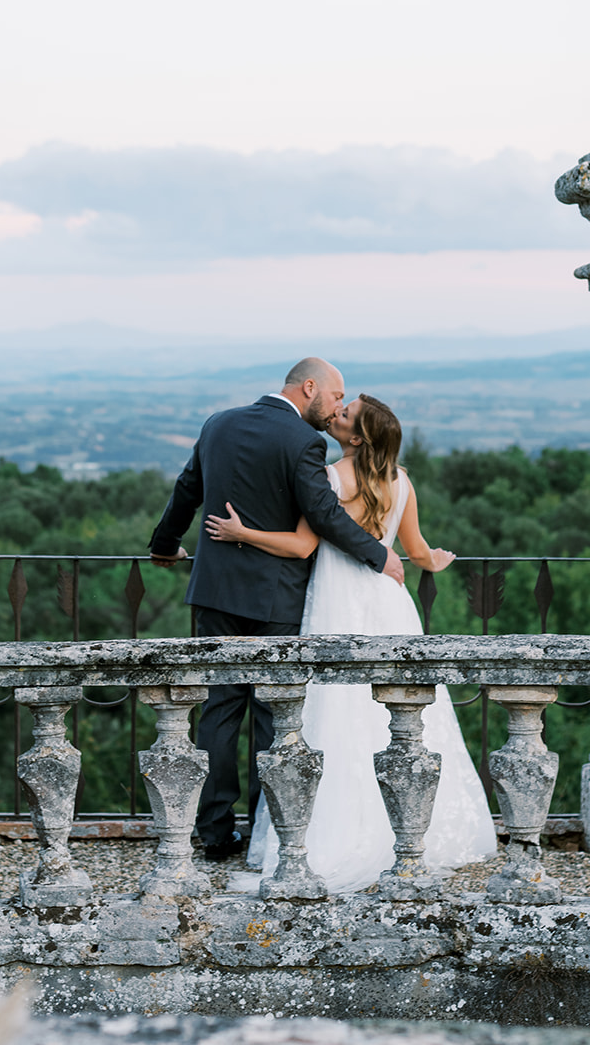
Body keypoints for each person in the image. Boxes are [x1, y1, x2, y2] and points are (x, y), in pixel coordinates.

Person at [205, 392, 496, 892]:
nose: (336, 413)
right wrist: (437, 561)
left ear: (357, 438)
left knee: (332, 713)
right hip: (390, 604)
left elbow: (302, 545)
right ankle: (410, 827)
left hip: (337, 604)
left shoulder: (331, 478)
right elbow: (417, 551)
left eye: (346, 414)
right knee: (401, 715)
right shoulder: (401, 481)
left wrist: (242, 534)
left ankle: (326, 832)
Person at [148, 357, 406, 860]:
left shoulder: (218, 423)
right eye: (336, 396)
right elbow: (323, 513)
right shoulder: (303, 441)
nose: (335, 407)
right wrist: (379, 555)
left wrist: (163, 545)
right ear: (309, 387)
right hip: (275, 597)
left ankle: (215, 833)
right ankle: (267, 834)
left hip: (215, 592)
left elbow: (187, 490)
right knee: (273, 714)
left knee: (219, 711)